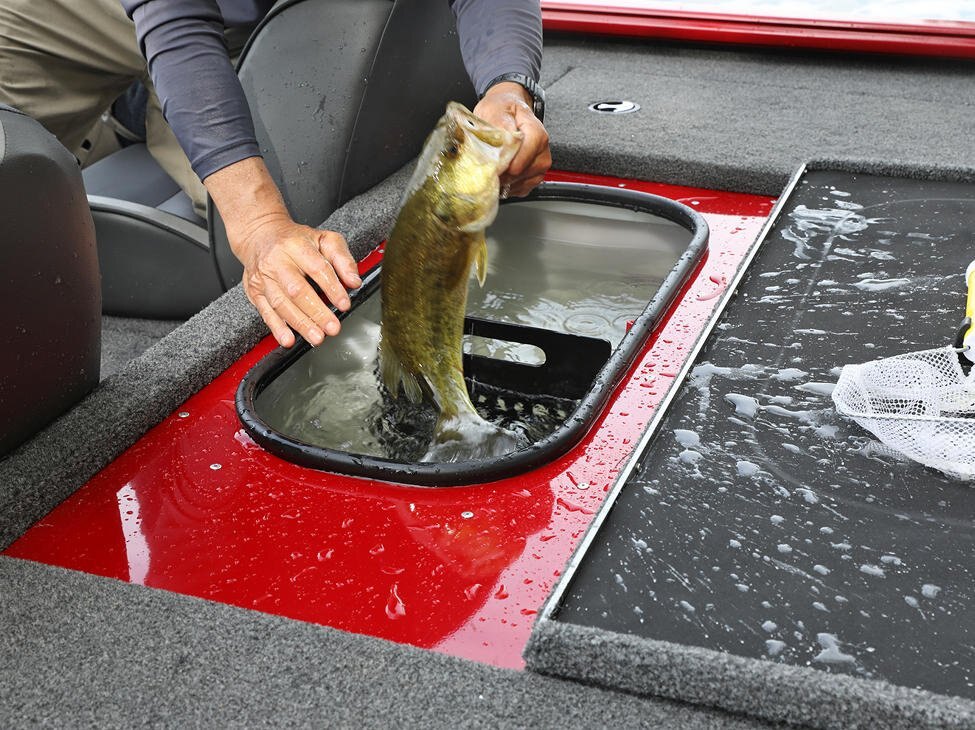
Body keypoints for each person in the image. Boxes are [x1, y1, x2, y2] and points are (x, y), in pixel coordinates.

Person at [0, 0, 551, 348]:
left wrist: (508, 87)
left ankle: (142, 106)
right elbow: (175, 21)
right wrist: (260, 226)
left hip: (244, 25)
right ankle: (135, 104)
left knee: (280, 223)